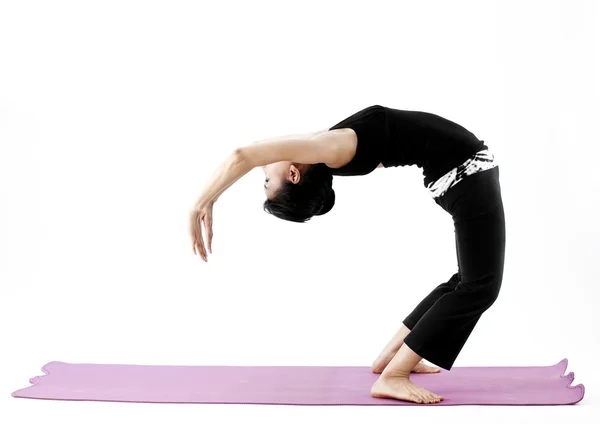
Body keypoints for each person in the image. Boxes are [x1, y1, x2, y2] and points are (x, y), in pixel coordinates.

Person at [189, 105, 506, 404]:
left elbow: (256, 151)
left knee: (468, 280)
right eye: (267, 181)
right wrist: (202, 202)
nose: (263, 170)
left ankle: (391, 358)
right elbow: (244, 155)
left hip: (463, 175)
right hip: (467, 175)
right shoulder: (331, 149)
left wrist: (221, 188)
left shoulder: (325, 148)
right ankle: (394, 375)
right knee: (480, 286)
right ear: (294, 174)